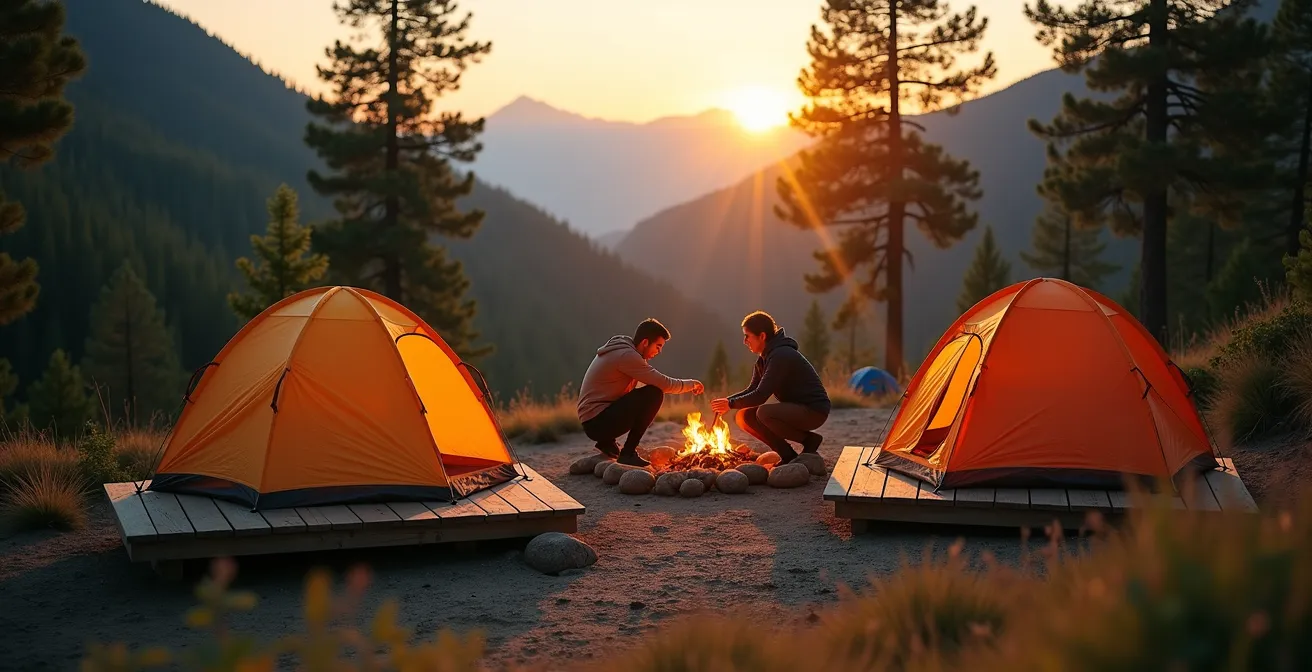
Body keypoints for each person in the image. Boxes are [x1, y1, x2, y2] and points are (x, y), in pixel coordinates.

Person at [577, 318, 704, 466]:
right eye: (658, 346)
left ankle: (607, 443)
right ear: (645, 343)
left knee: (642, 393)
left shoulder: (622, 350)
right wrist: (691, 385)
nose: (659, 351)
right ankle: (628, 453)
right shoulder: (627, 356)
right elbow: (664, 384)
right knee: (654, 394)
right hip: (596, 423)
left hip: (594, 419)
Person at [711, 310, 830, 464]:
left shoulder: (781, 355)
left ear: (762, 336)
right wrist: (727, 401)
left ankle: (808, 440)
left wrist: (731, 404)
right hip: (797, 408)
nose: (744, 341)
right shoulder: (763, 360)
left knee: (764, 412)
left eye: (747, 336)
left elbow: (761, 395)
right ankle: (787, 454)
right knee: (743, 416)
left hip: (814, 411)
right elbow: (752, 390)